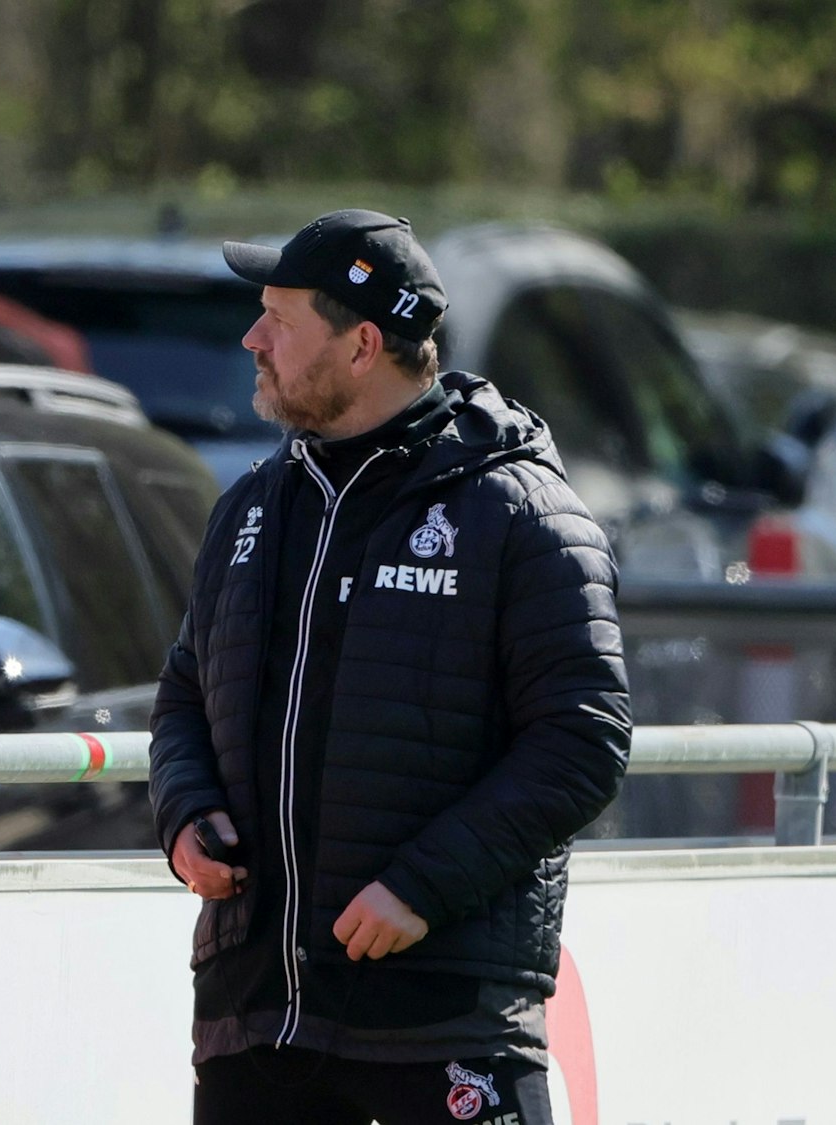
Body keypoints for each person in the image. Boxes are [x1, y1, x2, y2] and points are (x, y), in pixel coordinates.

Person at [148, 209, 631, 1124]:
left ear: (363, 343)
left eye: (279, 321)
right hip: (258, 1022)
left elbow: (582, 740)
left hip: (441, 1024)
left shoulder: (522, 514)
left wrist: (420, 884)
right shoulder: (252, 506)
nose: (251, 339)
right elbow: (182, 692)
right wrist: (183, 812)